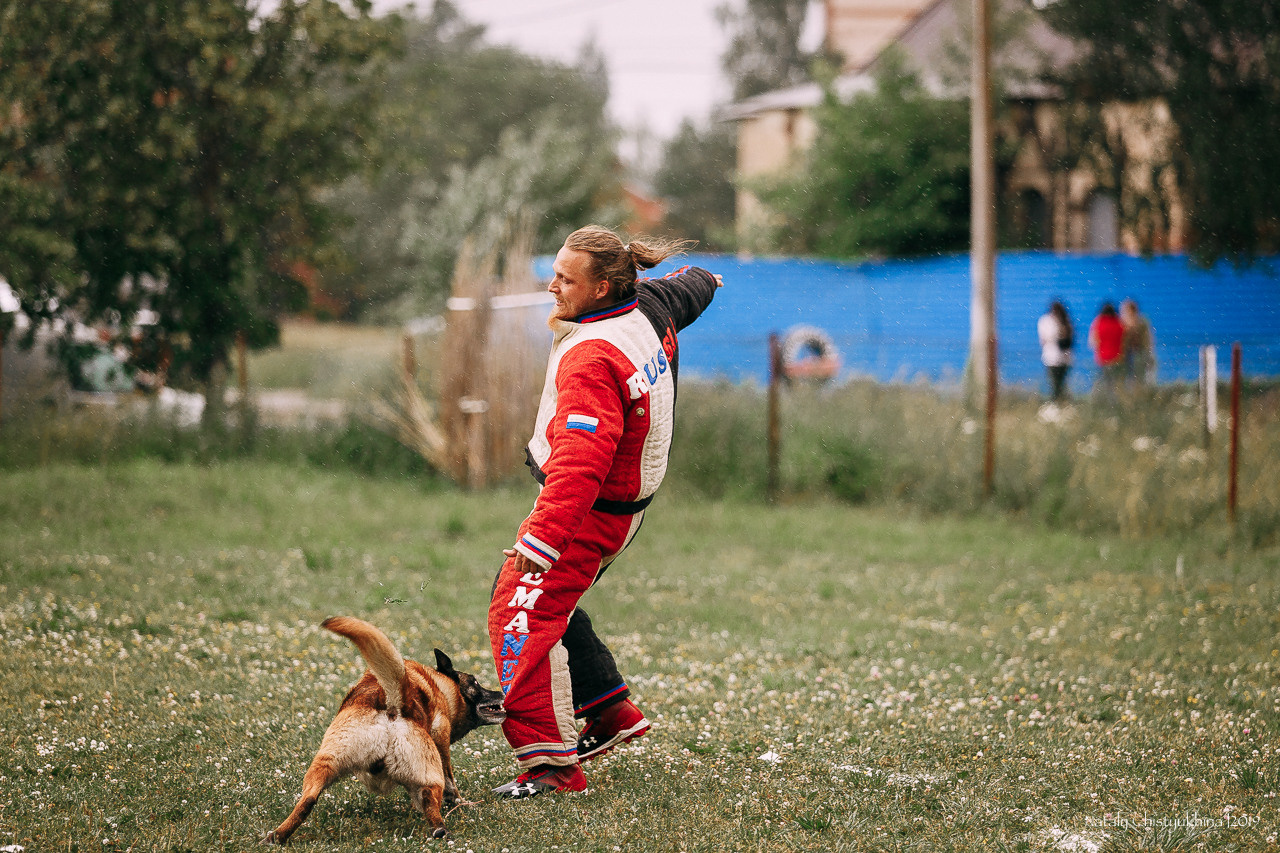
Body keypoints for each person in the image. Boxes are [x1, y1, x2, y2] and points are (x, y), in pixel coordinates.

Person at [488, 225, 721, 799]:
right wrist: (709, 279)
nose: (552, 288)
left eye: (566, 280)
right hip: (626, 502)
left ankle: (551, 767)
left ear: (603, 288)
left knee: (516, 614)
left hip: (593, 509)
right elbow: (691, 288)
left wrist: (538, 542)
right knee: (548, 602)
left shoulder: (593, 357)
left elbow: (581, 462)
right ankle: (610, 711)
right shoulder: (649, 305)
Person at [1036, 300, 1074, 401]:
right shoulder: (1066, 320)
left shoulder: (1046, 321)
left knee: (1055, 385)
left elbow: (1044, 339)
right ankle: (1062, 403)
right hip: (1066, 358)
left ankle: (1057, 404)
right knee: (1061, 384)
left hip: (1051, 357)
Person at [1088, 302, 1125, 399]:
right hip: (1117, 358)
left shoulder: (1099, 322)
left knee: (1101, 382)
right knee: (1115, 384)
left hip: (1102, 358)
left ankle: (1099, 401)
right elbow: (1123, 340)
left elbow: (1093, 341)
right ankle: (1115, 403)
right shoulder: (1119, 323)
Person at [1120, 298, 1156, 388]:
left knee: (1139, 377)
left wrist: (1149, 353)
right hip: (1127, 354)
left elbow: (1148, 339)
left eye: (1125, 310)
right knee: (1127, 377)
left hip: (1139, 352)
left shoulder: (1141, 322)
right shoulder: (1122, 322)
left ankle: (1139, 395)